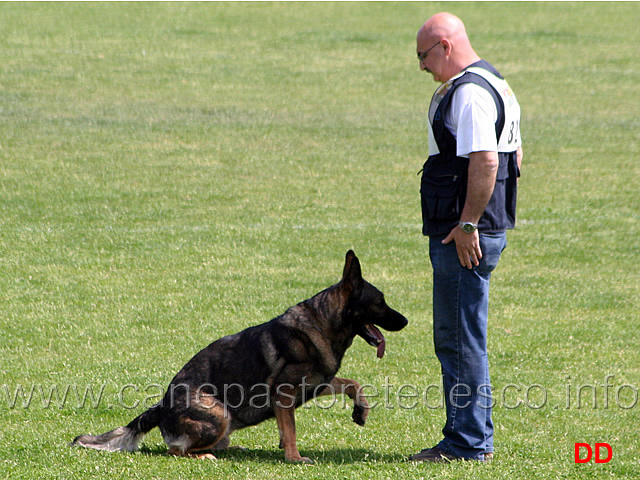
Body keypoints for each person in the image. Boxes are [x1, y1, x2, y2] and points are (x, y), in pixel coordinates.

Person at [410, 13, 523, 462]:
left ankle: (467, 442)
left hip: (467, 234)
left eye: (423, 56)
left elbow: (488, 160)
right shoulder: (495, 81)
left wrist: (469, 224)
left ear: (444, 45)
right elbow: (518, 156)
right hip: (484, 227)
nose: (421, 67)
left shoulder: (471, 93)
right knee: (462, 335)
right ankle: (469, 438)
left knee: (458, 338)